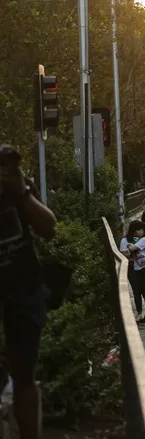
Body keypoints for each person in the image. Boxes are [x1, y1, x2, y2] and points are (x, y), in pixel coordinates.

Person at [0, 145, 57, 439]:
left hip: (23, 288)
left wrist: (22, 193)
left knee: (24, 374)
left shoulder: (19, 192)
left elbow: (48, 227)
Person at [120, 220, 145, 324]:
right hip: (141, 268)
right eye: (135, 232)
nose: (136, 234)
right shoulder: (144, 239)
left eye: (137, 231)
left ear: (141, 230)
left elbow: (132, 249)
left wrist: (129, 246)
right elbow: (125, 253)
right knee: (141, 291)